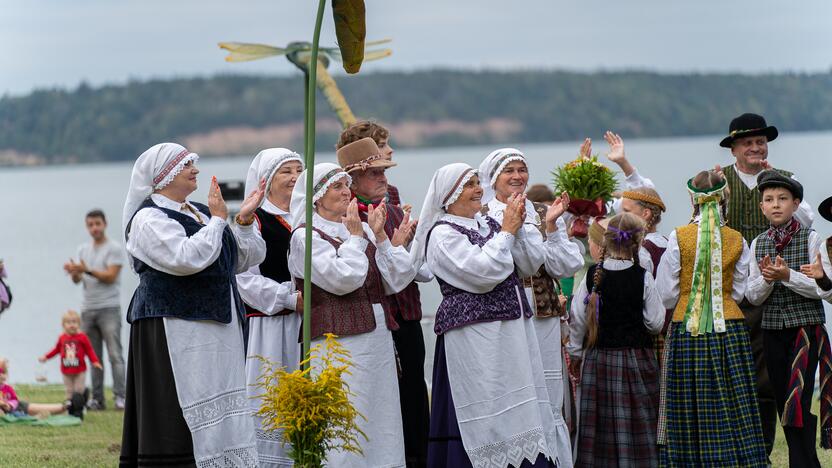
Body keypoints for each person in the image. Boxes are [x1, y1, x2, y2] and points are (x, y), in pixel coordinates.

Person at [120, 142, 266, 467]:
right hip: (175, 329)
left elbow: (238, 260)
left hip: (215, 328)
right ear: (165, 175)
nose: (195, 170)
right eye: (187, 165)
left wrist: (241, 222)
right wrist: (217, 222)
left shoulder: (198, 210)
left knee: (221, 402)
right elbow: (185, 258)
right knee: (178, 409)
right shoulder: (148, 219)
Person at [414, 163, 561, 468]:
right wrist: (507, 231)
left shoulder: (488, 226)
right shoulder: (443, 234)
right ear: (450, 194)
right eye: (469, 184)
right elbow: (483, 273)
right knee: (484, 412)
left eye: (476, 182)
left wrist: (520, 229)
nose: (478, 188)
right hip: (474, 341)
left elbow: (529, 265)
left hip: (510, 335)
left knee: (516, 409)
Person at [288, 162, 418, 468]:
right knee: (346, 419)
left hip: (377, 339)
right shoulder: (305, 237)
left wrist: (381, 238)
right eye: (337, 186)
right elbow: (343, 280)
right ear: (317, 197)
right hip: (338, 344)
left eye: (347, 185)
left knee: (380, 416)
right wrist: (358, 239)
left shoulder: (359, 229)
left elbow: (397, 280)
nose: (346, 191)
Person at [718, 112, 815, 458]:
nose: (756, 148)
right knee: (737, 375)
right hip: (735, 292)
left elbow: (807, 224)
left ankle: (780, 449)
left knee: (774, 379)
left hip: (781, 291)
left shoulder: (785, 181)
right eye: (748, 143)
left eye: (760, 142)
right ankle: (746, 448)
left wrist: (775, 180)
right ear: (734, 150)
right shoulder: (721, 180)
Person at [478, 148, 582, 466]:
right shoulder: (480, 216)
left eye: (522, 169)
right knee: (514, 392)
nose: (517, 176)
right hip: (504, 317)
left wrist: (551, 228)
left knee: (550, 397)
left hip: (543, 316)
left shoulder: (540, 211)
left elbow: (566, 265)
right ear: (493, 177)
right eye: (509, 170)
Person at [656, 170, 766, 467]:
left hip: (685, 328)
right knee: (732, 399)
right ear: (724, 198)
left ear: (692, 198)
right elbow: (741, 293)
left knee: (688, 401)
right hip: (729, 328)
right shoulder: (737, 240)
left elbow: (666, 295)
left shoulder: (678, 238)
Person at [335, 137, 427, 467]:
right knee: (389, 397)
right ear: (352, 180)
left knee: (415, 392)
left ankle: (415, 456)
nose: (383, 179)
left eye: (383, 172)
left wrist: (408, 248)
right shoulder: (347, 217)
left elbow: (413, 267)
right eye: (375, 173)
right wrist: (396, 247)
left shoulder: (390, 209)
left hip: (407, 312)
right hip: (378, 319)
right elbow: (361, 273)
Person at [745, 171, 830, 467]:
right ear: (761, 207)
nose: (776, 204)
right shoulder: (757, 243)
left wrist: (787, 275)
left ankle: (802, 463)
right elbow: (753, 296)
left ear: (796, 204)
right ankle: (807, 463)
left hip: (805, 330)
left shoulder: (812, 239)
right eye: (769, 200)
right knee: (785, 403)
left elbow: (824, 289)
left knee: (799, 402)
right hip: (772, 332)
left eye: (783, 199)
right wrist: (769, 280)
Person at [568, 212, 664, 467]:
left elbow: (577, 320)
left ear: (605, 242)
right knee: (637, 421)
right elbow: (655, 322)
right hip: (637, 360)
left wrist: (576, 354)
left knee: (599, 426)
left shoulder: (591, 276)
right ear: (638, 242)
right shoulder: (642, 276)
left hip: (598, 360)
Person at [236, 148, 305, 468]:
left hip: (311, 325)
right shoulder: (256, 222)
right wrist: (290, 298)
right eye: (285, 171)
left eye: (298, 170)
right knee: (273, 395)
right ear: (267, 180)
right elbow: (245, 281)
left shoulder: (310, 215)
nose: (294, 177)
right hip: (272, 326)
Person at [62, 209, 126, 411]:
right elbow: (78, 280)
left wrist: (86, 269)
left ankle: (121, 397)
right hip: (88, 309)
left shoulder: (114, 248)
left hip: (109, 308)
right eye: (90, 225)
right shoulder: (82, 250)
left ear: (105, 224)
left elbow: (110, 276)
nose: (94, 228)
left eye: (97, 224)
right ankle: (97, 399)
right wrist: (74, 272)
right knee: (93, 357)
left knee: (115, 354)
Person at [336, 119, 408, 210]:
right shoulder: (340, 207)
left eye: (383, 171)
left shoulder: (392, 193)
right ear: (352, 180)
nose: (390, 150)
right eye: (381, 145)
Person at [39, 310, 103, 402]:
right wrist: (46, 357)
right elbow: (56, 349)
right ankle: (69, 407)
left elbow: (89, 350)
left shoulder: (82, 337)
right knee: (69, 391)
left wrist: (95, 361)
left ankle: (80, 406)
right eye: (68, 322)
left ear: (79, 324)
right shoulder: (62, 338)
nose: (72, 325)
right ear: (63, 325)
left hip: (80, 371)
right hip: (66, 371)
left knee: (78, 390)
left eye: (74, 322)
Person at [0, 357, 75, 418]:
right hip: (9, 412)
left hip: (17, 406)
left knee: (42, 408)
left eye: (4, 373)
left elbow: (14, 400)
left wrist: (9, 405)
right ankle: (35, 418)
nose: (2, 375)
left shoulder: (7, 388)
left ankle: (67, 406)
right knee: (12, 414)